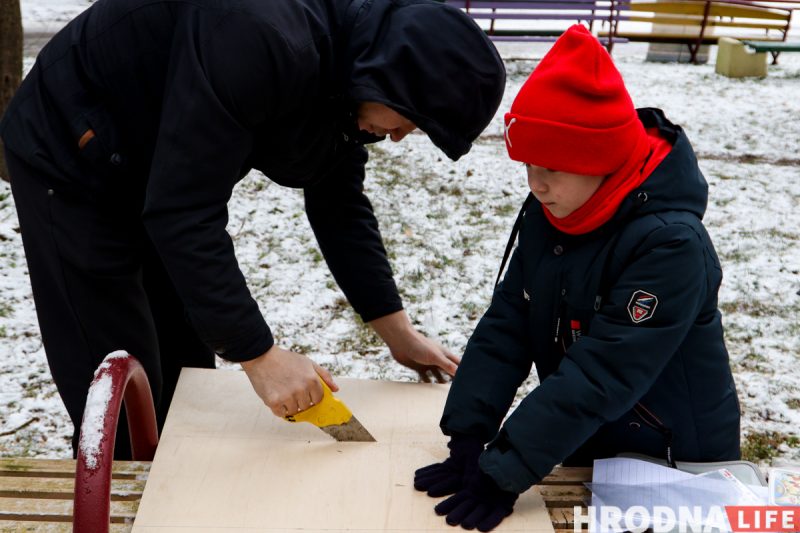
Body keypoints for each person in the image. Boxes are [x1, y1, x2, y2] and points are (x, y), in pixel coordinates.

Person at [0, 0, 506, 458]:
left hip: (162, 162)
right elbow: (183, 212)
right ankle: (129, 492)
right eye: (410, 121)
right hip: (72, 148)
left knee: (183, 375)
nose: (398, 137)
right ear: (393, 78)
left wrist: (397, 333)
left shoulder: (353, 67)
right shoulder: (260, 33)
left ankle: (176, 478)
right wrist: (259, 355)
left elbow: (340, 206)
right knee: (119, 371)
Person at [413, 25, 741, 532]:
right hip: (587, 444)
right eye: (527, 165)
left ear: (601, 160)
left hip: (673, 461)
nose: (535, 184)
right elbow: (508, 322)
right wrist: (470, 435)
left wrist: (505, 470)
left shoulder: (671, 244)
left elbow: (604, 371)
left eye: (553, 168)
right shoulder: (557, 212)